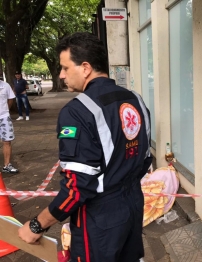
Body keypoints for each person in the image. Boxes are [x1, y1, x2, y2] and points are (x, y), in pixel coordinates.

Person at [18, 32, 152, 262]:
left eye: (65, 68)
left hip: (99, 219)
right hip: (133, 206)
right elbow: (145, 159)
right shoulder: (136, 100)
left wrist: (37, 225)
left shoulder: (77, 112)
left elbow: (76, 188)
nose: (61, 75)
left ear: (86, 67)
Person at [0, 80, 19, 173]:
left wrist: (5, 110)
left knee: (7, 141)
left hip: (4, 117)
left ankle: (7, 165)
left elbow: (10, 98)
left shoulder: (5, 85)